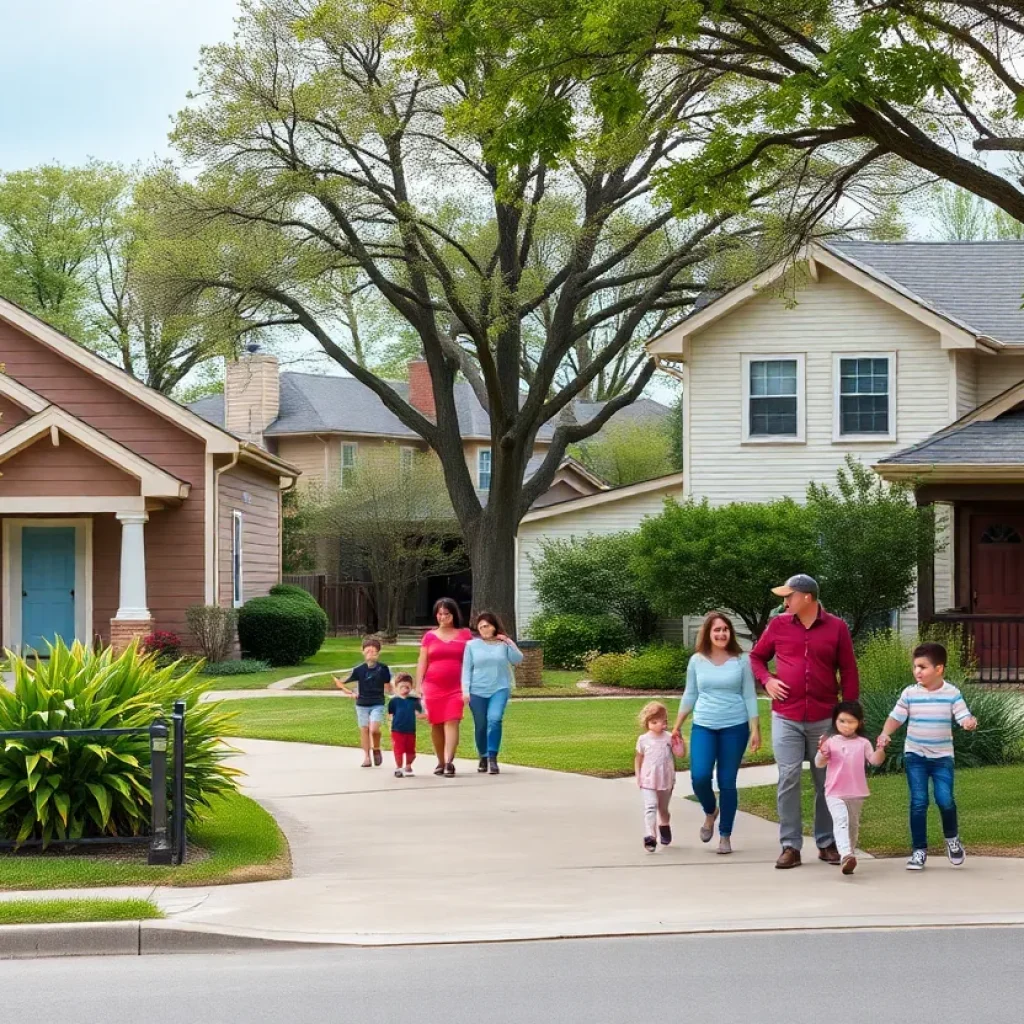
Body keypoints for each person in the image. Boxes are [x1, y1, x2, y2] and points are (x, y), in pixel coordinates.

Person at [750, 574, 859, 869]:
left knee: (826, 782)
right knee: (788, 778)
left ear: (807, 597)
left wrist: (848, 718)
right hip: (786, 717)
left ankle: (826, 843)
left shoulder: (836, 628)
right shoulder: (778, 625)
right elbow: (757, 658)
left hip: (825, 718)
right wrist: (767, 680)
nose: (785, 602)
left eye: (789, 596)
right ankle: (790, 846)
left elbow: (848, 671)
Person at [877, 641, 978, 871]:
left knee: (945, 800)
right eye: (915, 667)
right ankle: (919, 851)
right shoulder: (910, 693)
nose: (917, 672)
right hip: (916, 756)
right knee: (919, 802)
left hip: (942, 758)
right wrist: (885, 733)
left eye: (923, 667)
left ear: (939, 669)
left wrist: (969, 723)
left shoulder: (952, 693)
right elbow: (896, 717)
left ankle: (952, 840)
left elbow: (963, 715)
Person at [672, 611, 760, 855]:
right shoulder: (697, 660)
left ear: (730, 633)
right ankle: (711, 811)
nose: (721, 634)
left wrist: (755, 728)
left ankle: (725, 834)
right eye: (716, 630)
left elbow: (749, 694)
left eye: (725, 629)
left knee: (727, 782)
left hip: (735, 727)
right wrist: (678, 724)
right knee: (699, 777)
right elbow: (690, 694)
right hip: (704, 726)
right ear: (708, 633)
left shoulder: (742, 660)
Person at [814, 701, 886, 875]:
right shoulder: (830, 742)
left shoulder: (863, 743)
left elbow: (875, 761)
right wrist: (823, 753)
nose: (846, 726)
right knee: (841, 821)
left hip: (856, 792)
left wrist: (881, 748)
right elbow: (819, 763)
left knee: (853, 825)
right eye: (842, 721)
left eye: (851, 722)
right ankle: (845, 854)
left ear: (860, 723)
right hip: (834, 792)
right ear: (835, 722)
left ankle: (849, 855)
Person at [416, 597, 473, 777]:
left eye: (446, 614)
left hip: (457, 686)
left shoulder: (465, 635)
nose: (442, 617)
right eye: (439, 614)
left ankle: (449, 762)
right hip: (432, 686)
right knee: (436, 725)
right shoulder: (429, 636)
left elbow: (473, 660)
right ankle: (440, 761)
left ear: (453, 614)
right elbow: (422, 662)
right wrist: (418, 686)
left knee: (452, 720)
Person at [462, 611, 523, 775]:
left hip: (499, 688)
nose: (483, 629)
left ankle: (492, 757)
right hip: (477, 691)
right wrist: (465, 691)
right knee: (481, 725)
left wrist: (508, 640)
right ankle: (482, 756)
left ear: (494, 626)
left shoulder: (503, 645)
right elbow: (466, 670)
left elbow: (518, 659)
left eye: (486, 626)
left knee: (494, 719)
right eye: (480, 627)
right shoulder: (471, 646)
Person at [334, 636, 392, 767]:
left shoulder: (383, 668)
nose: (370, 654)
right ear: (363, 652)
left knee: (374, 729)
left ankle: (376, 748)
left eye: (373, 651)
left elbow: (388, 686)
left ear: (378, 653)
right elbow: (341, 682)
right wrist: (349, 692)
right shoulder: (358, 669)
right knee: (364, 729)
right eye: (368, 651)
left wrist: (393, 692)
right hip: (361, 704)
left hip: (377, 702)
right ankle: (366, 757)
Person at [635, 701, 676, 853]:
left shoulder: (669, 738)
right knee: (650, 806)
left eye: (663, 721)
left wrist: (679, 743)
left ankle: (664, 825)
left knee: (663, 809)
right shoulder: (643, 739)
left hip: (665, 778)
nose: (660, 725)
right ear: (647, 722)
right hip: (648, 779)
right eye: (655, 722)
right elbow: (638, 758)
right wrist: (638, 775)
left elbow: (679, 753)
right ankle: (650, 836)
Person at [388, 673, 425, 778]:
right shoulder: (394, 701)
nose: (405, 689)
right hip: (397, 730)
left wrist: (426, 715)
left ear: (411, 687)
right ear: (396, 688)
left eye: (407, 687)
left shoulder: (414, 701)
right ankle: (399, 768)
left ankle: (408, 765)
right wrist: (390, 726)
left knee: (411, 752)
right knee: (398, 750)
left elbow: (419, 714)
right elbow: (390, 715)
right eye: (402, 687)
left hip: (410, 730)